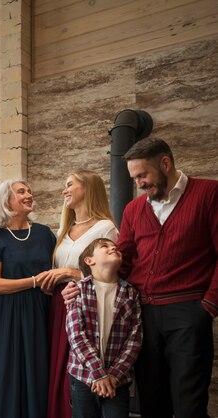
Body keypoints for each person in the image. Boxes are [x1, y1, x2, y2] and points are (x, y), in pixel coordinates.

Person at [63, 137, 218, 418]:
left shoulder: (209, 194)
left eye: (143, 175)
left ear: (165, 163)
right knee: (152, 401)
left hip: (188, 311)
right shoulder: (134, 209)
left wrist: (208, 307)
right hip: (142, 313)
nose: (139, 184)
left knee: (189, 404)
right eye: (134, 178)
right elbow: (123, 259)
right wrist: (82, 285)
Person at [40, 170, 119, 418]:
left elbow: (112, 272)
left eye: (70, 184)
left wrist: (72, 273)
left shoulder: (106, 227)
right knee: (59, 367)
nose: (64, 190)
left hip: (86, 305)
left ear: (88, 188)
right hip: (58, 304)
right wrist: (50, 281)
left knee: (77, 369)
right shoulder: (65, 229)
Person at [0, 179, 56, 418]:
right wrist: (34, 281)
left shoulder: (44, 233)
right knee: (6, 373)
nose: (28, 194)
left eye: (29, 191)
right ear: (7, 201)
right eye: (21, 192)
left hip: (40, 311)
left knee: (38, 372)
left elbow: (55, 272)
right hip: (6, 314)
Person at [66, 238, 142, 418]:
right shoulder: (79, 290)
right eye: (105, 246)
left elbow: (134, 340)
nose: (113, 247)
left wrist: (113, 376)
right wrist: (99, 375)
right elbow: (76, 335)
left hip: (118, 380)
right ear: (89, 260)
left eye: (114, 246)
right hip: (83, 375)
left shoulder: (131, 294)